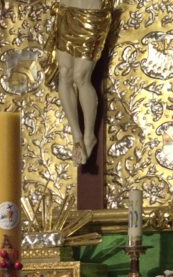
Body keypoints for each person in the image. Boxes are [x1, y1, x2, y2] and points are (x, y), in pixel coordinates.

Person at [47, 0, 114, 166]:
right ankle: (76, 135)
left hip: (91, 13)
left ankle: (89, 135)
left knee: (81, 76)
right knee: (65, 73)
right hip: (67, 10)